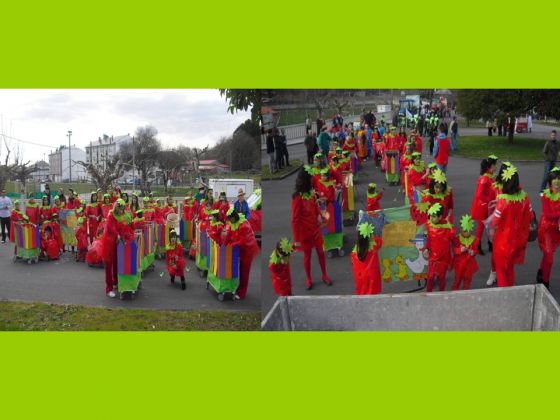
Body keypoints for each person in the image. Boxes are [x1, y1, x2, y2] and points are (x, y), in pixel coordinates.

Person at [489, 164, 532, 287]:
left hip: (503, 241)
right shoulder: (524, 197)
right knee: (510, 268)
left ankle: (505, 297)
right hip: (517, 241)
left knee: (501, 269)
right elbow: (530, 215)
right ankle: (512, 291)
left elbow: (494, 222)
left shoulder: (502, 201)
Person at [291, 166, 332, 290]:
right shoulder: (297, 198)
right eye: (310, 179)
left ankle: (324, 275)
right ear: (305, 180)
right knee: (307, 256)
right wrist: (296, 239)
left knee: (320, 252)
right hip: (305, 234)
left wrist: (320, 217)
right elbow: (295, 220)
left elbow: (315, 209)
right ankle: (308, 278)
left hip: (315, 230)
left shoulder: (312, 194)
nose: (312, 181)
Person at [224, 208, 259, 300]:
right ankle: (237, 288)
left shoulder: (244, 225)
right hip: (239, 250)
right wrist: (223, 245)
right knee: (237, 269)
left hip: (247, 250)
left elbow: (243, 241)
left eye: (229, 219)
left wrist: (231, 245)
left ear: (233, 217)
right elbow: (229, 234)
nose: (229, 221)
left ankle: (242, 293)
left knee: (244, 272)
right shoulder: (233, 222)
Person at [101, 199, 134, 298]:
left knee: (116, 263)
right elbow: (111, 228)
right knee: (108, 265)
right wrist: (118, 235)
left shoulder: (122, 216)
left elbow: (123, 228)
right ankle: (108, 289)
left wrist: (126, 234)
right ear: (116, 207)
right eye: (120, 208)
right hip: (109, 243)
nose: (121, 210)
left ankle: (116, 282)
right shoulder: (111, 215)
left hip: (117, 243)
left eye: (123, 208)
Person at [536, 167, 560, 289]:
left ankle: (541, 273)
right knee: (550, 259)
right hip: (546, 230)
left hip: (556, 230)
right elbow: (547, 215)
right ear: (550, 185)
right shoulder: (545, 196)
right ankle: (545, 283)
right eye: (555, 184)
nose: (557, 187)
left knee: (547, 256)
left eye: (559, 184)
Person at [424, 203, 455, 292]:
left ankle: (442, 294)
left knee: (441, 277)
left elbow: (453, 239)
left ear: (440, 217)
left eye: (434, 216)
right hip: (433, 257)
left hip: (443, 258)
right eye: (430, 216)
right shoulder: (430, 226)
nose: (431, 218)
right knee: (430, 277)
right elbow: (429, 239)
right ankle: (428, 294)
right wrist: (427, 248)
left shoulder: (447, 228)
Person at [470, 155, 498, 256]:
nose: (496, 166)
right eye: (496, 164)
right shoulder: (485, 178)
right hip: (483, 207)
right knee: (481, 227)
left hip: (488, 206)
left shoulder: (490, 176)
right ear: (492, 165)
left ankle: (490, 244)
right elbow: (479, 195)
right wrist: (490, 201)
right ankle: (477, 246)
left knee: (490, 225)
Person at [351, 221, 382, 295]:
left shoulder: (354, 253)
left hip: (361, 282)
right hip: (372, 280)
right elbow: (380, 241)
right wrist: (373, 237)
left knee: (363, 294)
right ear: (370, 236)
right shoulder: (373, 247)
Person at [451, 215, 479, 290]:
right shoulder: (457, 239)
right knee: (457, 280)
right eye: (464, 231)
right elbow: (454, 250)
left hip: (469, 265)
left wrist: (473, 252)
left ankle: (465, 294)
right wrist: (460, 250)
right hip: (459, 264)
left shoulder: (474, 239)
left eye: (468, 231)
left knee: (467, 281)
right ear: (461, 229)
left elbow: (476, 250)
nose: (466, 233)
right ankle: (454, 293)